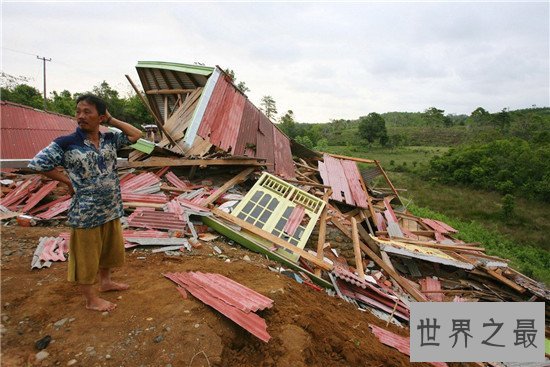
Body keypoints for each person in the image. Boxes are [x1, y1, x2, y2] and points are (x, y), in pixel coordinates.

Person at [28, 94, 142, 312]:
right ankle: (91, 300)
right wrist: (66, 179)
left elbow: (137, 135)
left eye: (87, 111)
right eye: (78, 111)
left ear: (100, 117)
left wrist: (112, 120)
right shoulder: (67, 143)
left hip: (111, 206)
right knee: (86, 256)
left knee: (109, 250)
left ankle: (106, 282)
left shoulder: (110, 139)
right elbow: (37, 164)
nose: (81, 116)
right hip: (86, 211)